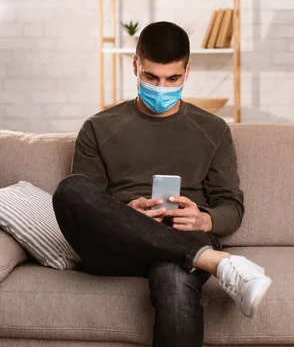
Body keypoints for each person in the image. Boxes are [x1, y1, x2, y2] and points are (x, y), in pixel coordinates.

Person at [52, 21, 272, 347]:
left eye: (173, 79)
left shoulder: (213, 129)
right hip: (116, 248)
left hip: (181, 241)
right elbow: (88, 204)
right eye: (151, 77)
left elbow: (231, 205)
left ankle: (194, 253)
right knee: (70, 189)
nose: (161, 87)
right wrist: (126, 213)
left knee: (174, 278)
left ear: (188, 71)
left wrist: (205, 219)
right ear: (135, 66)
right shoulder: (98, 128)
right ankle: (212, 260)